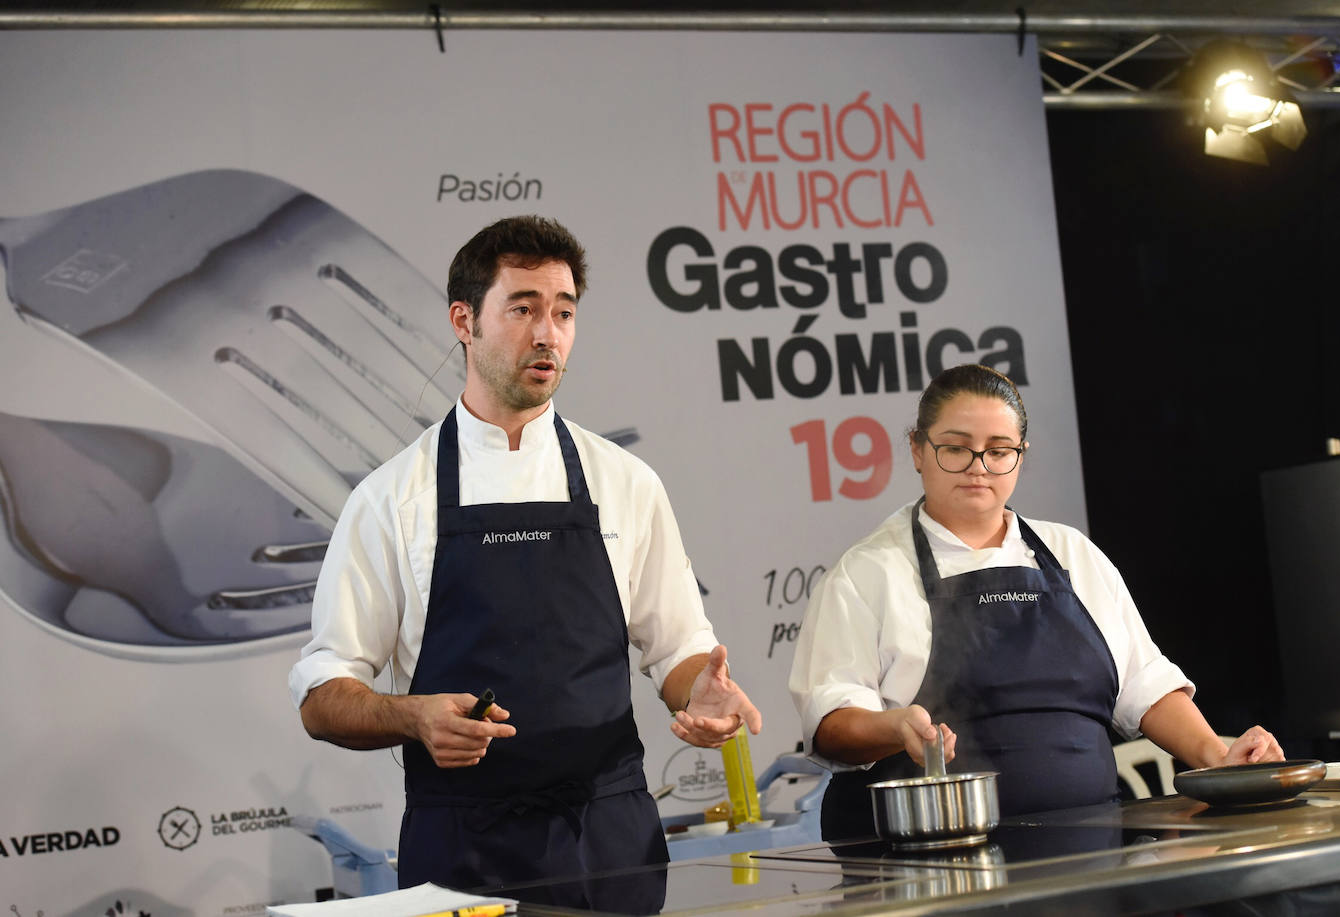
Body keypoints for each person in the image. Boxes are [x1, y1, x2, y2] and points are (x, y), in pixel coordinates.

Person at [289, 215, 761, 895]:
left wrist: (702, 690)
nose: (548, 334)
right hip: (465, 851)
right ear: (464, 320)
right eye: (523, 308)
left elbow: (676, 647)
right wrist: (410, 716)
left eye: (564, 312)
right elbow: (322, 694)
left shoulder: (626, 482)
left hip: (611, 840)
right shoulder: (390, 499)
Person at [788, 363, 1282, 841]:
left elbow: (1145, 686)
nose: (978, 468)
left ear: (1020, 455)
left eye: (998, 451)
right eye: (955, 449)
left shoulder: (1071, 554)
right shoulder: (869, 571)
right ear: (917, 449)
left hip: (1086, 850)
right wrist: (894, 727)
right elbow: (832, 725)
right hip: (926, 857)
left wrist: (1219, 758)